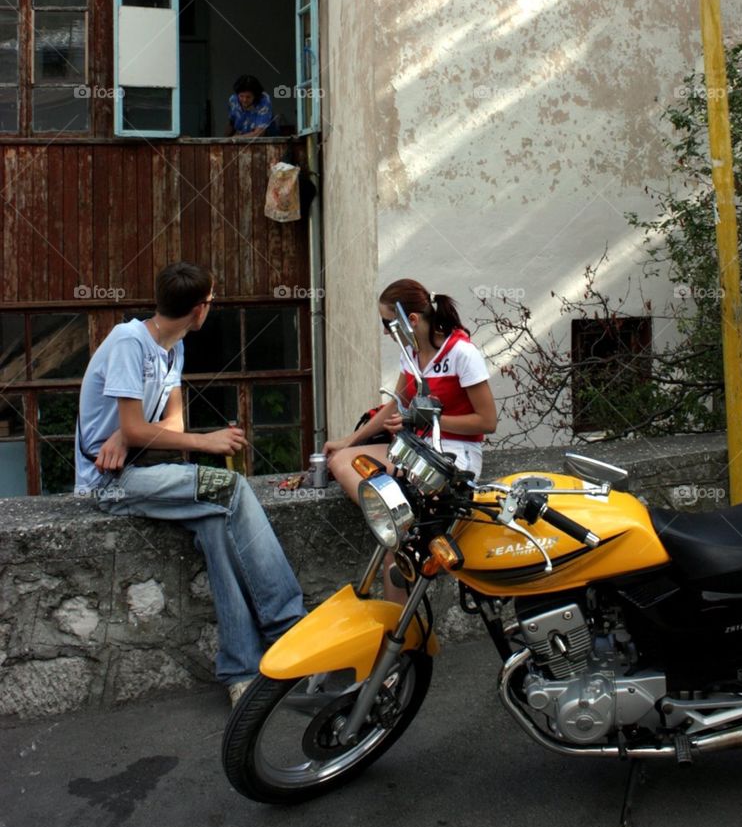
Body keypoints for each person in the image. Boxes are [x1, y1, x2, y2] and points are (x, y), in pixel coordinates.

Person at [74, 262, 304, 706]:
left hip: (141, 467)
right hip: (111, 483)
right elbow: (156, 429)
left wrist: (128, 431)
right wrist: (200, 441)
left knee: (216, 526)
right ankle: (288, 626)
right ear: (200, 310)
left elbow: (168, 420)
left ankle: (240, 672)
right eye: (211, 303)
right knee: (231, 489)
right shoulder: (129, 342)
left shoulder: (172, 348)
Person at [323, 278, 497, 503]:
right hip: (418, 449)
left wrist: (424, 420)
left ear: (411, 320)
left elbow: (487, 422)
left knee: (424, 495)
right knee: (341, 460)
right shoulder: (410, 353)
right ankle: (394, 523)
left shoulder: (462, 353)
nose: (386, 333)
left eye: (387, 324)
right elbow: (396, 404)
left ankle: (403, 527)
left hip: (457, 452)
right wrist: (349, 441)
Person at [225, 74, 276, 138]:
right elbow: (231, 123)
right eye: (241, 96)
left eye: (248, 97)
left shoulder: (264, 100)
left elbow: (259, 133)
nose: (244, 100)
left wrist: (236, 138)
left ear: (255, 95)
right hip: (242, 137)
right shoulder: (233, 100)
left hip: (267, 140)